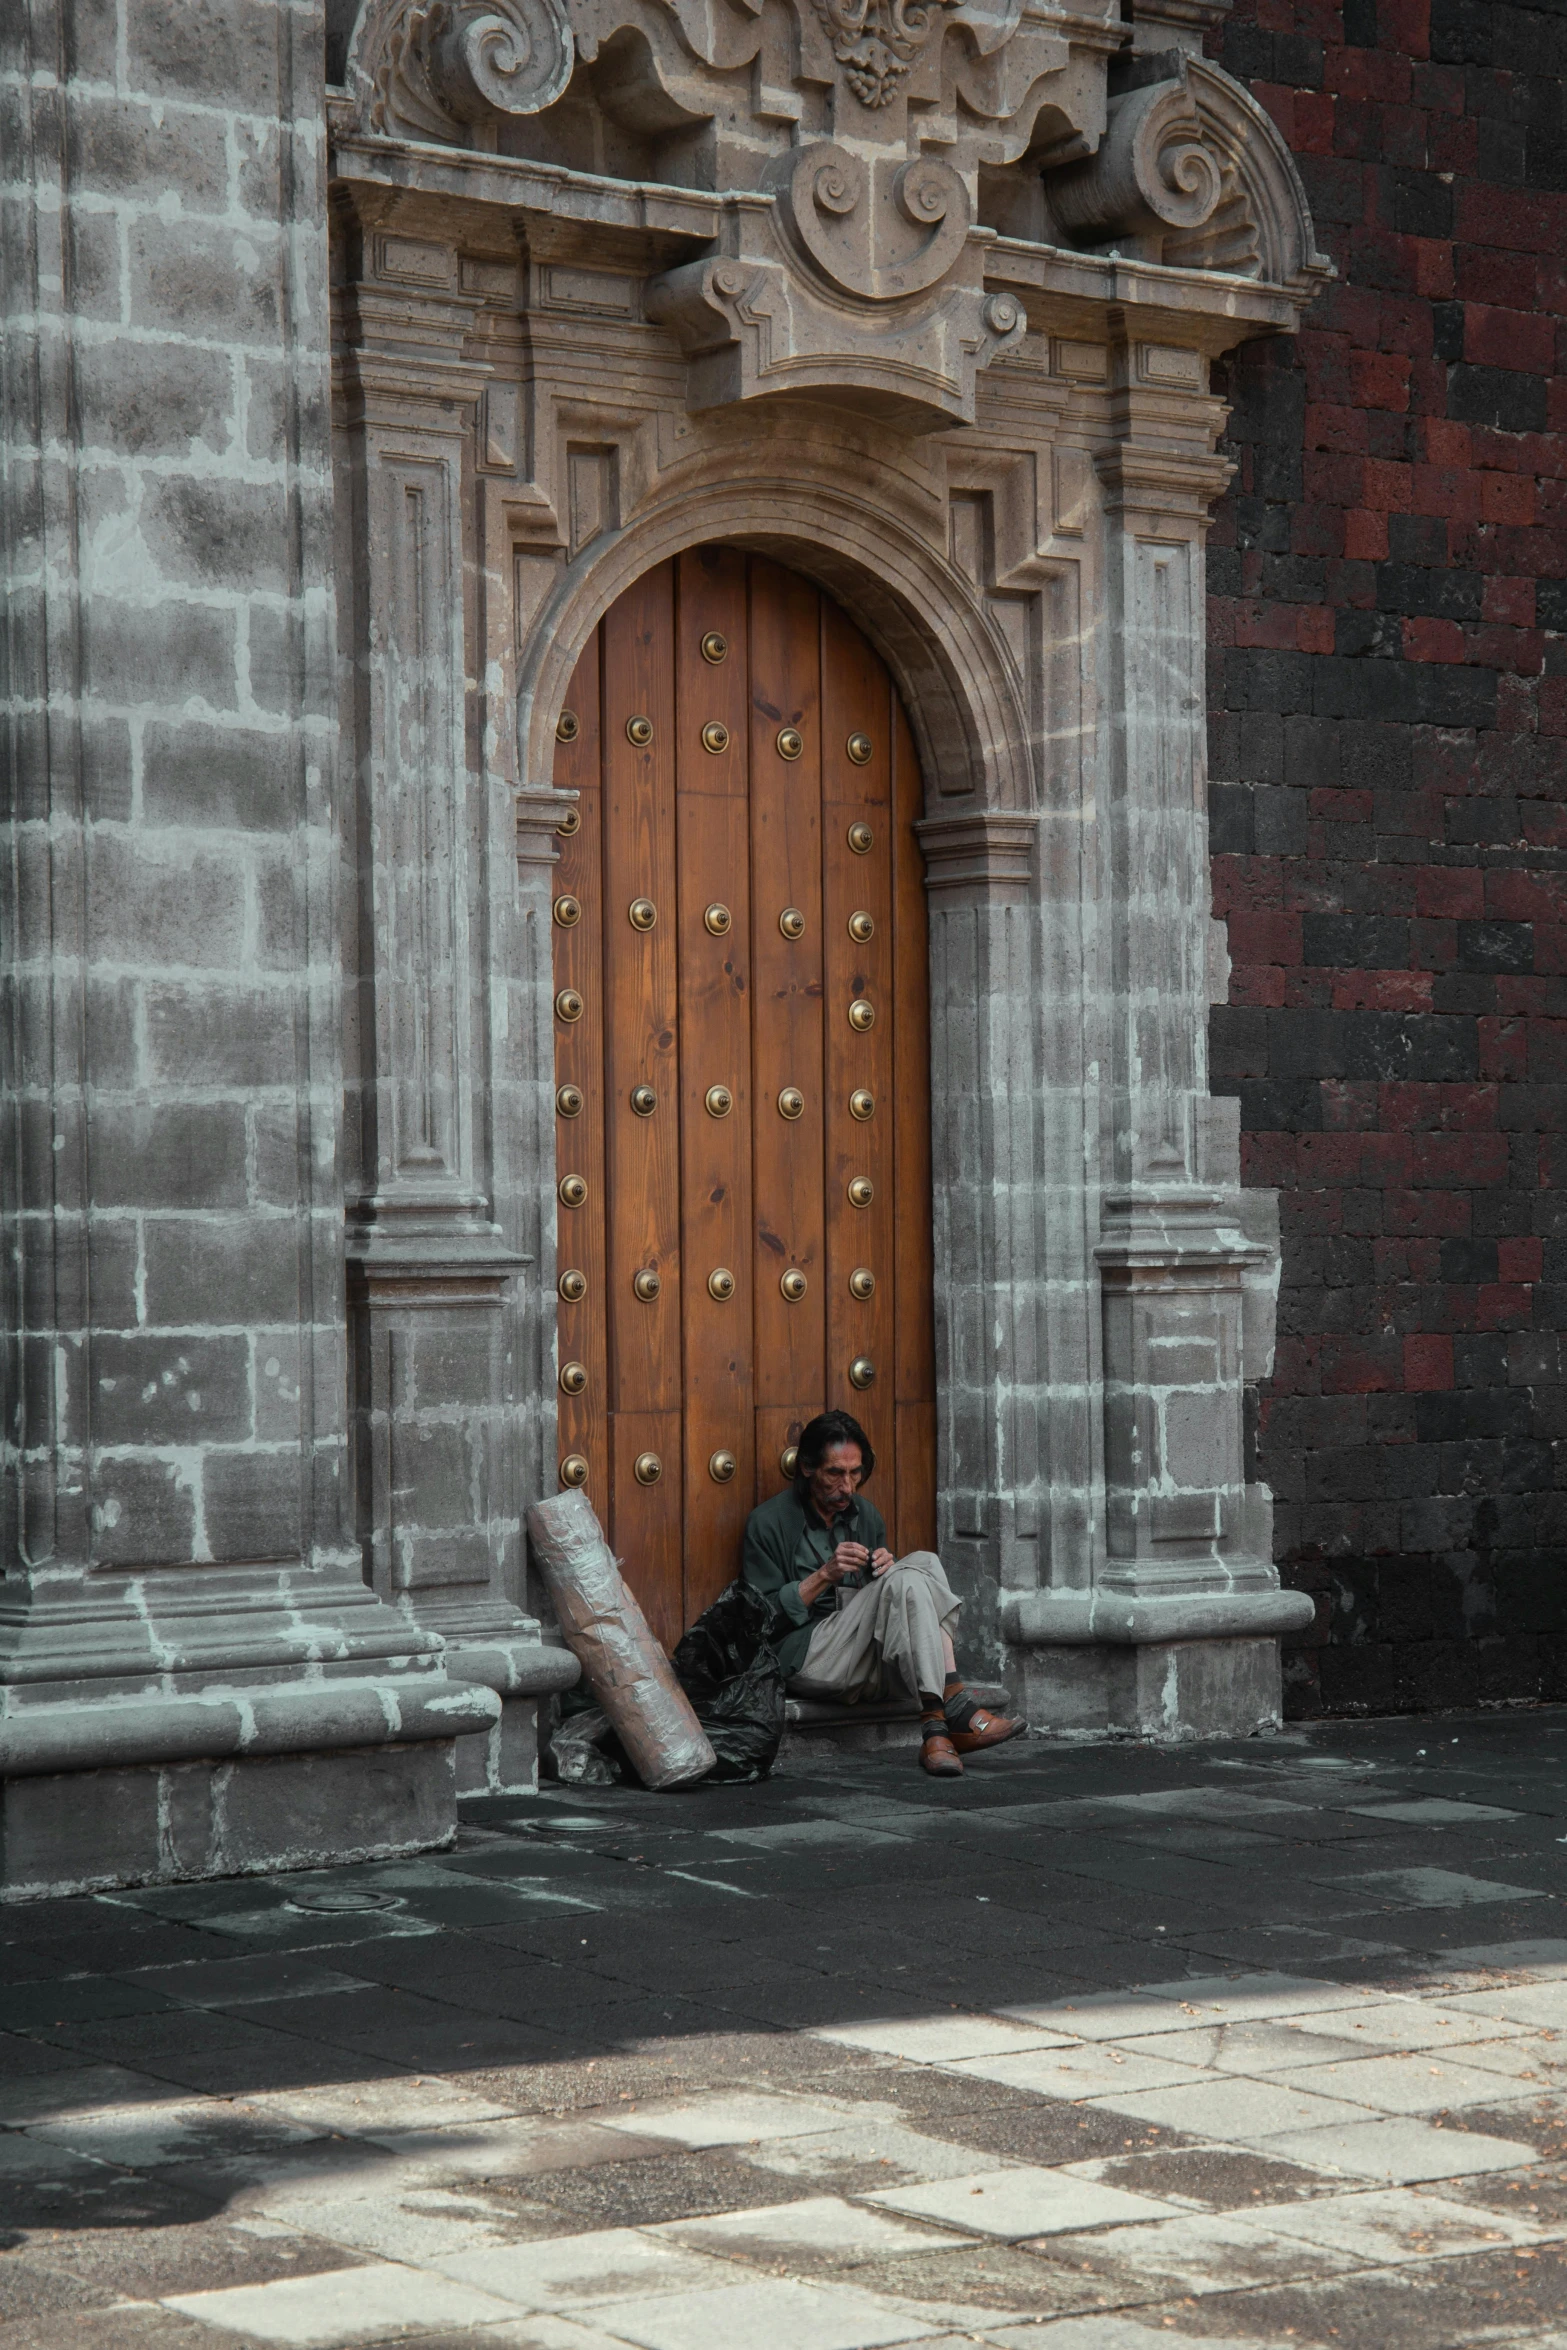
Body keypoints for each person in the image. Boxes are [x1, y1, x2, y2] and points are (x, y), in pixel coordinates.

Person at [741, 1409, 1025, 1777]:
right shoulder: (767, 1523)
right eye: (835, 1473)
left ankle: (938, 1728)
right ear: (807, 1468)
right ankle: (950, 1713)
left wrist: (885, 1573)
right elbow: (757, 1623)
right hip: (813, 1660)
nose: (848, 1486)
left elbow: (893, 1603)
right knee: (913, 1570)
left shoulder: (866, 1516)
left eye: (855, 1473)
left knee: (919, 1564)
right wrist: (825, 1574)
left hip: (873, 1663)